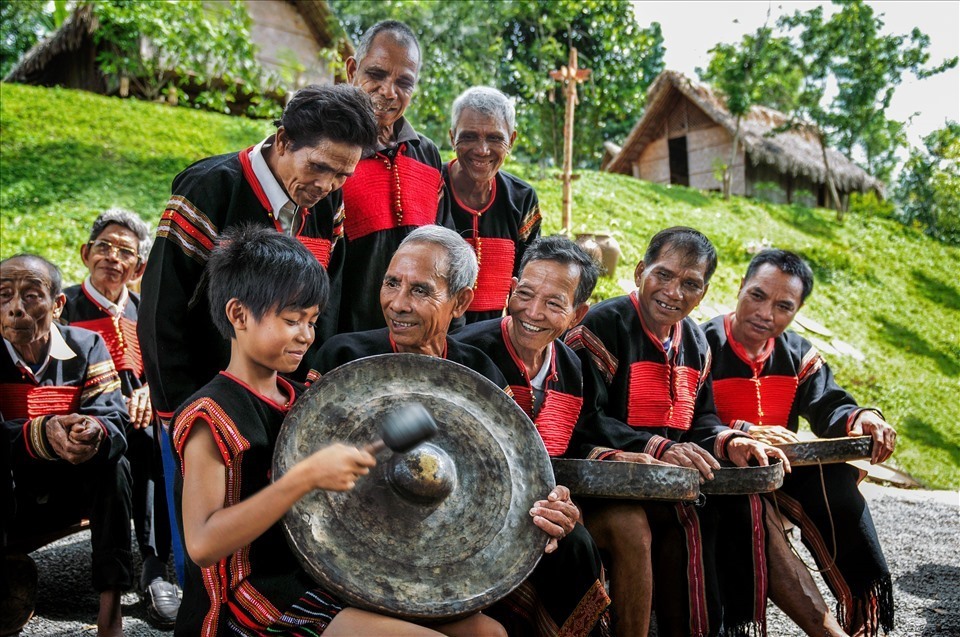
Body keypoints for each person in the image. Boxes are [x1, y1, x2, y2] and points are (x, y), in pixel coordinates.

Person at [170, 224, 505, 637]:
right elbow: (202, 545)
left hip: (317, 574)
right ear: (238, 314)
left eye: (311, 322)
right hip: (248, 599)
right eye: (292, 320)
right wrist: (306, 477)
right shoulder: (211, 415)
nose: (306, 336)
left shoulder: (299, 398)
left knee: (488, 633)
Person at [138, 83, 377, 581]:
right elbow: (161, 307)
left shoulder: (326, 207)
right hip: (205, 399)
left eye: (342, 174)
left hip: (270, 398)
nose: (327, 184)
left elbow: (321, 308)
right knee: (204, 551)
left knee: (264, 536)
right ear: (284, 140)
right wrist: (176, 411)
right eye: (319, 167)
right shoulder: (211, 188)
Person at [565, 227, 789, 637]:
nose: (673, 291)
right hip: (603, 484)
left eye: (690, 284)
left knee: (742, 508)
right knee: (686, 518)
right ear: (639, 272)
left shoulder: (698, 342)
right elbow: (583, 417)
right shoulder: (603, 325)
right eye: (663, 275)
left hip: (666, 484)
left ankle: (722, 629)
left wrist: (728, 439)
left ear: (702, 294)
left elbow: (702, 419)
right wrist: (658, 446)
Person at [701, 249, 896, 637]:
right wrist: (743, 430)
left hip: (780, 470)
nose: (765, 313)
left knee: (838, 485)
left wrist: (863, 418)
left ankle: (863, 611)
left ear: (797, 310)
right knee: (749, 511)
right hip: (720, 472)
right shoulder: (702, 343)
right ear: (740, 287)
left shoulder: (798, 354)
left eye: (783, 306)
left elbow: (830, 404)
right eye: (757, 296)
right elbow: (690, 414)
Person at [453, 235, 611, 635]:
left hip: (539, 507)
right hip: (470, 507)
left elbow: (577, 442)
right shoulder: (468, 353)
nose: (533, 312)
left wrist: (559, 500)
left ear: (578, 315)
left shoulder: (573, 367)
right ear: (510, 289)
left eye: (555, 303)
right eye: (524, 294)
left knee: (575, 541)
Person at [0, 254, 132, 637]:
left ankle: (111, 605)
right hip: (13, 498)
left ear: (57, 304)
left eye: (30, 296)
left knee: (115, 464)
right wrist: (42, 433)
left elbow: (114, 420)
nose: (15, 310)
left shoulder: (87, 346)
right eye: (4, 296)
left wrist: (91, 431)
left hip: (70, 492)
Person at [60, 209, 181, 627]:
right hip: (91, 415)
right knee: (123, 451)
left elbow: (163, 366)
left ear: (139, 268)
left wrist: (151, 390)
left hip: (141, 414)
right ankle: (124, 574)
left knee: (157, 438)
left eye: (124, 251)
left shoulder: (146, 311)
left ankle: (153, 567)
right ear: (85, 253)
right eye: (104, 246)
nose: (112, 257)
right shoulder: (64, 307)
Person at [339, 20, 455, 333]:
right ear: (352, 71)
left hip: (413, 337)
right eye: (375, 75)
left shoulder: (427, 154)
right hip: (345, 337)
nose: (388, 91)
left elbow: (443, 251)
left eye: (404, 82)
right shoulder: (330, 151)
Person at [445, 86, 542, 323]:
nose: (482, 150)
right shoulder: (433, 186)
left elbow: (530, 274)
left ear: (512, 139)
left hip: (495, 333)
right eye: (468, 136)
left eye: (495, 138)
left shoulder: (522, 198)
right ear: (452, 137)